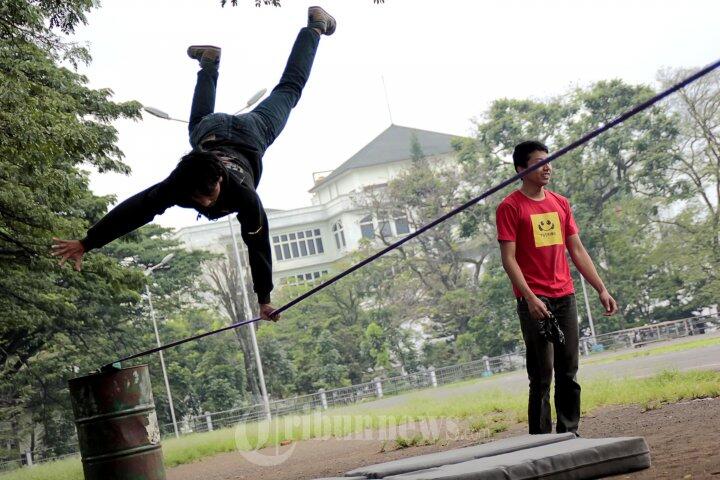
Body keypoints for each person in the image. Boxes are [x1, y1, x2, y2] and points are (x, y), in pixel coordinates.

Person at [52, 6, 337, 321]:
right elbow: (135, 210)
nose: (203, 204)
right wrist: (87, 242)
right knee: (230, 113)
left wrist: (264, 297)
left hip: (251, 132)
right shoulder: (177, 185)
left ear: (219, 179)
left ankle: (295, 34)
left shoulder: (244, 196)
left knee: (282, 92)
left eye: (208, 196)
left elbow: (257, 243)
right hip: (222, 133)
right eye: (196, 199)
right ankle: (235, 53)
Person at [495, 140, 618, 435]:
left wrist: (600, 288)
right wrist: (529, 298)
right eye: (539, 163)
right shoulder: (510, 207)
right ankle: (539, 441)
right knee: (541, 374)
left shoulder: (560, 203)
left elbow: (576, 249)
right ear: (521, 169)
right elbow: (508, 260)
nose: (547, 167)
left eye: (548, 161)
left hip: (565, 295)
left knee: (568, 371)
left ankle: (568, 434)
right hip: (535, 300)